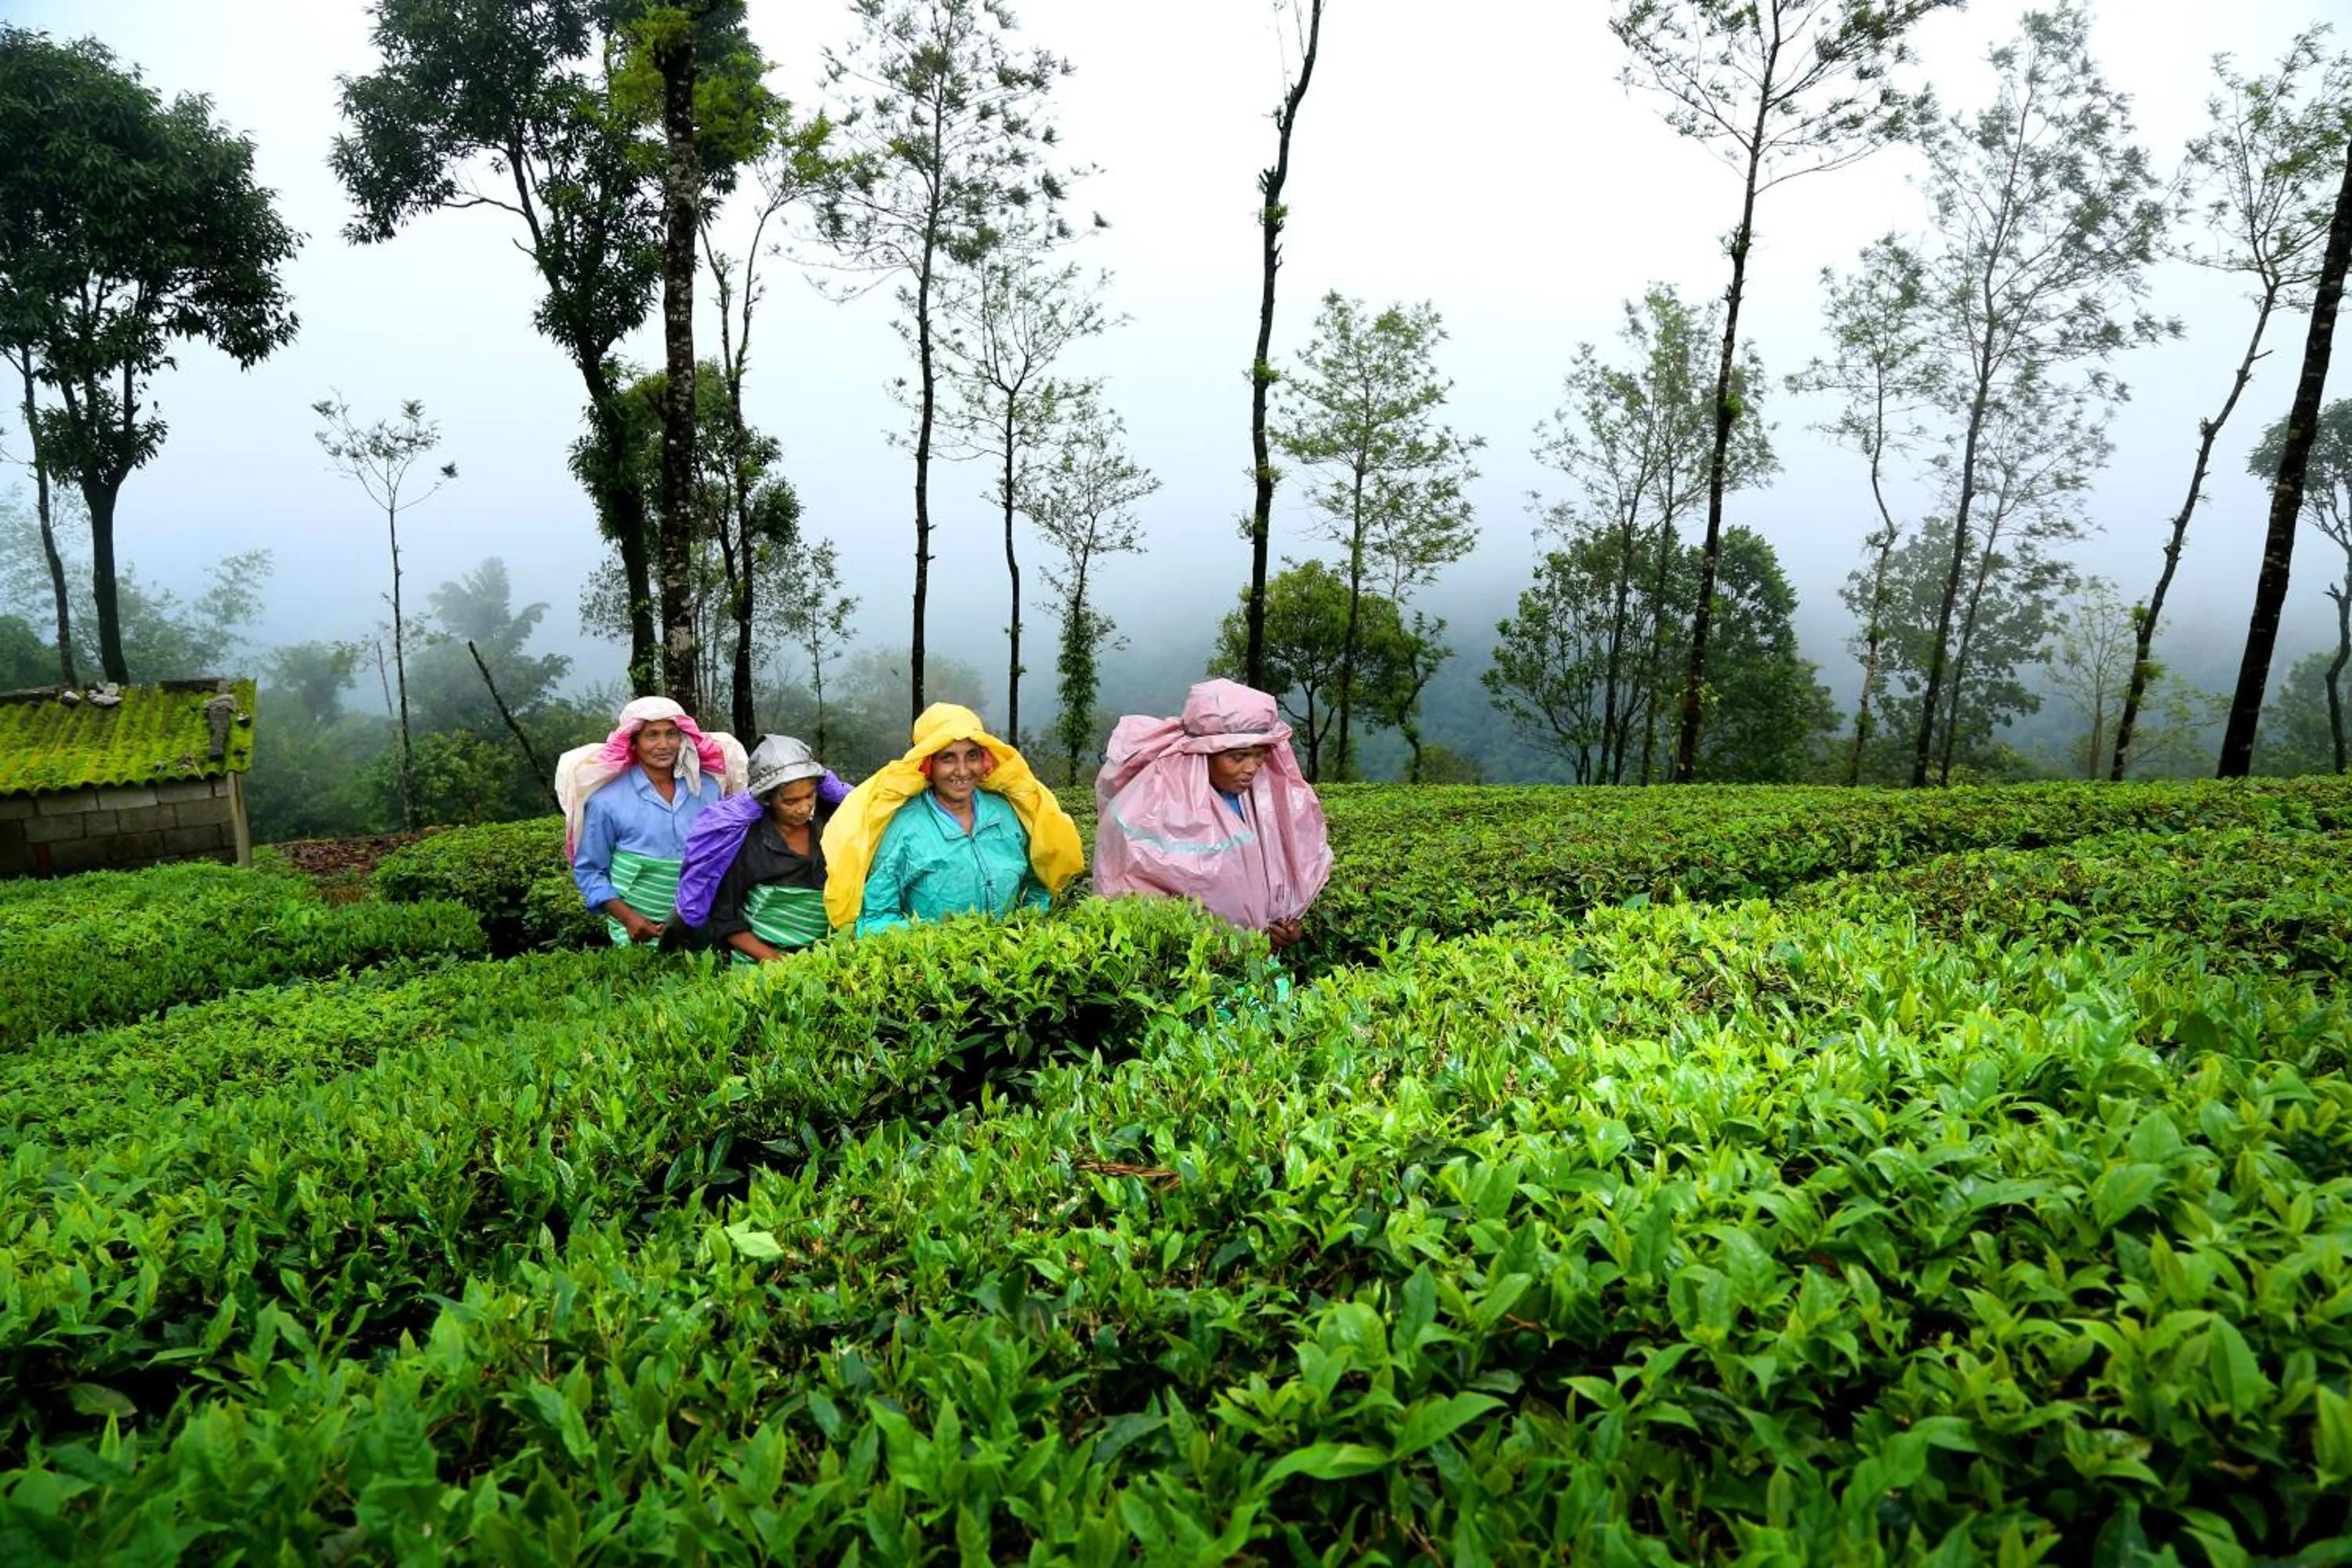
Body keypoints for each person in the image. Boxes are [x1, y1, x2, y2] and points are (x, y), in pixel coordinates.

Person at [1093, 678, 1331, 949]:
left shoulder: (1263, 803)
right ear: (1205, 753)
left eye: (1259, 755)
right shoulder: (1150, 809)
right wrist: (1226, 946)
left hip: (1260, 969)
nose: (1252, 768)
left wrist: (1286, 929)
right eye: (1238, 757)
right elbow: (1137, 896)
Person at [822, 702, 1085, 936]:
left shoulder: (1007, 814)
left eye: (972, 756)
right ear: (928, 765)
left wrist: (1026, 927)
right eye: (948, 758)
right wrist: (937, 942)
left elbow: (1035, 884)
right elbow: (877, 918)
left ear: (984, 761)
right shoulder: (904, 828)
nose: (962, 771)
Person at [557, 696, 746, 946]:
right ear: (633, 742)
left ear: (683, 739)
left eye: (671, 734)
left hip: (704, 931)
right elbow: (590, 870)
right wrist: (628, 918)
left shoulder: (707, 789)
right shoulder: (606, 801)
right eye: (652, 735)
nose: (663, 744)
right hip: (640, 933)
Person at [670, 735, 851, 963]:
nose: (804, 808)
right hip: (759, 961)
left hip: (828, 955)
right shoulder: (745, 843)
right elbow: (725, 917)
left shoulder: (833, 827)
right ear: (767, 799)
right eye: (790, 801)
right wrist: (776, 960)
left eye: (809, 795)